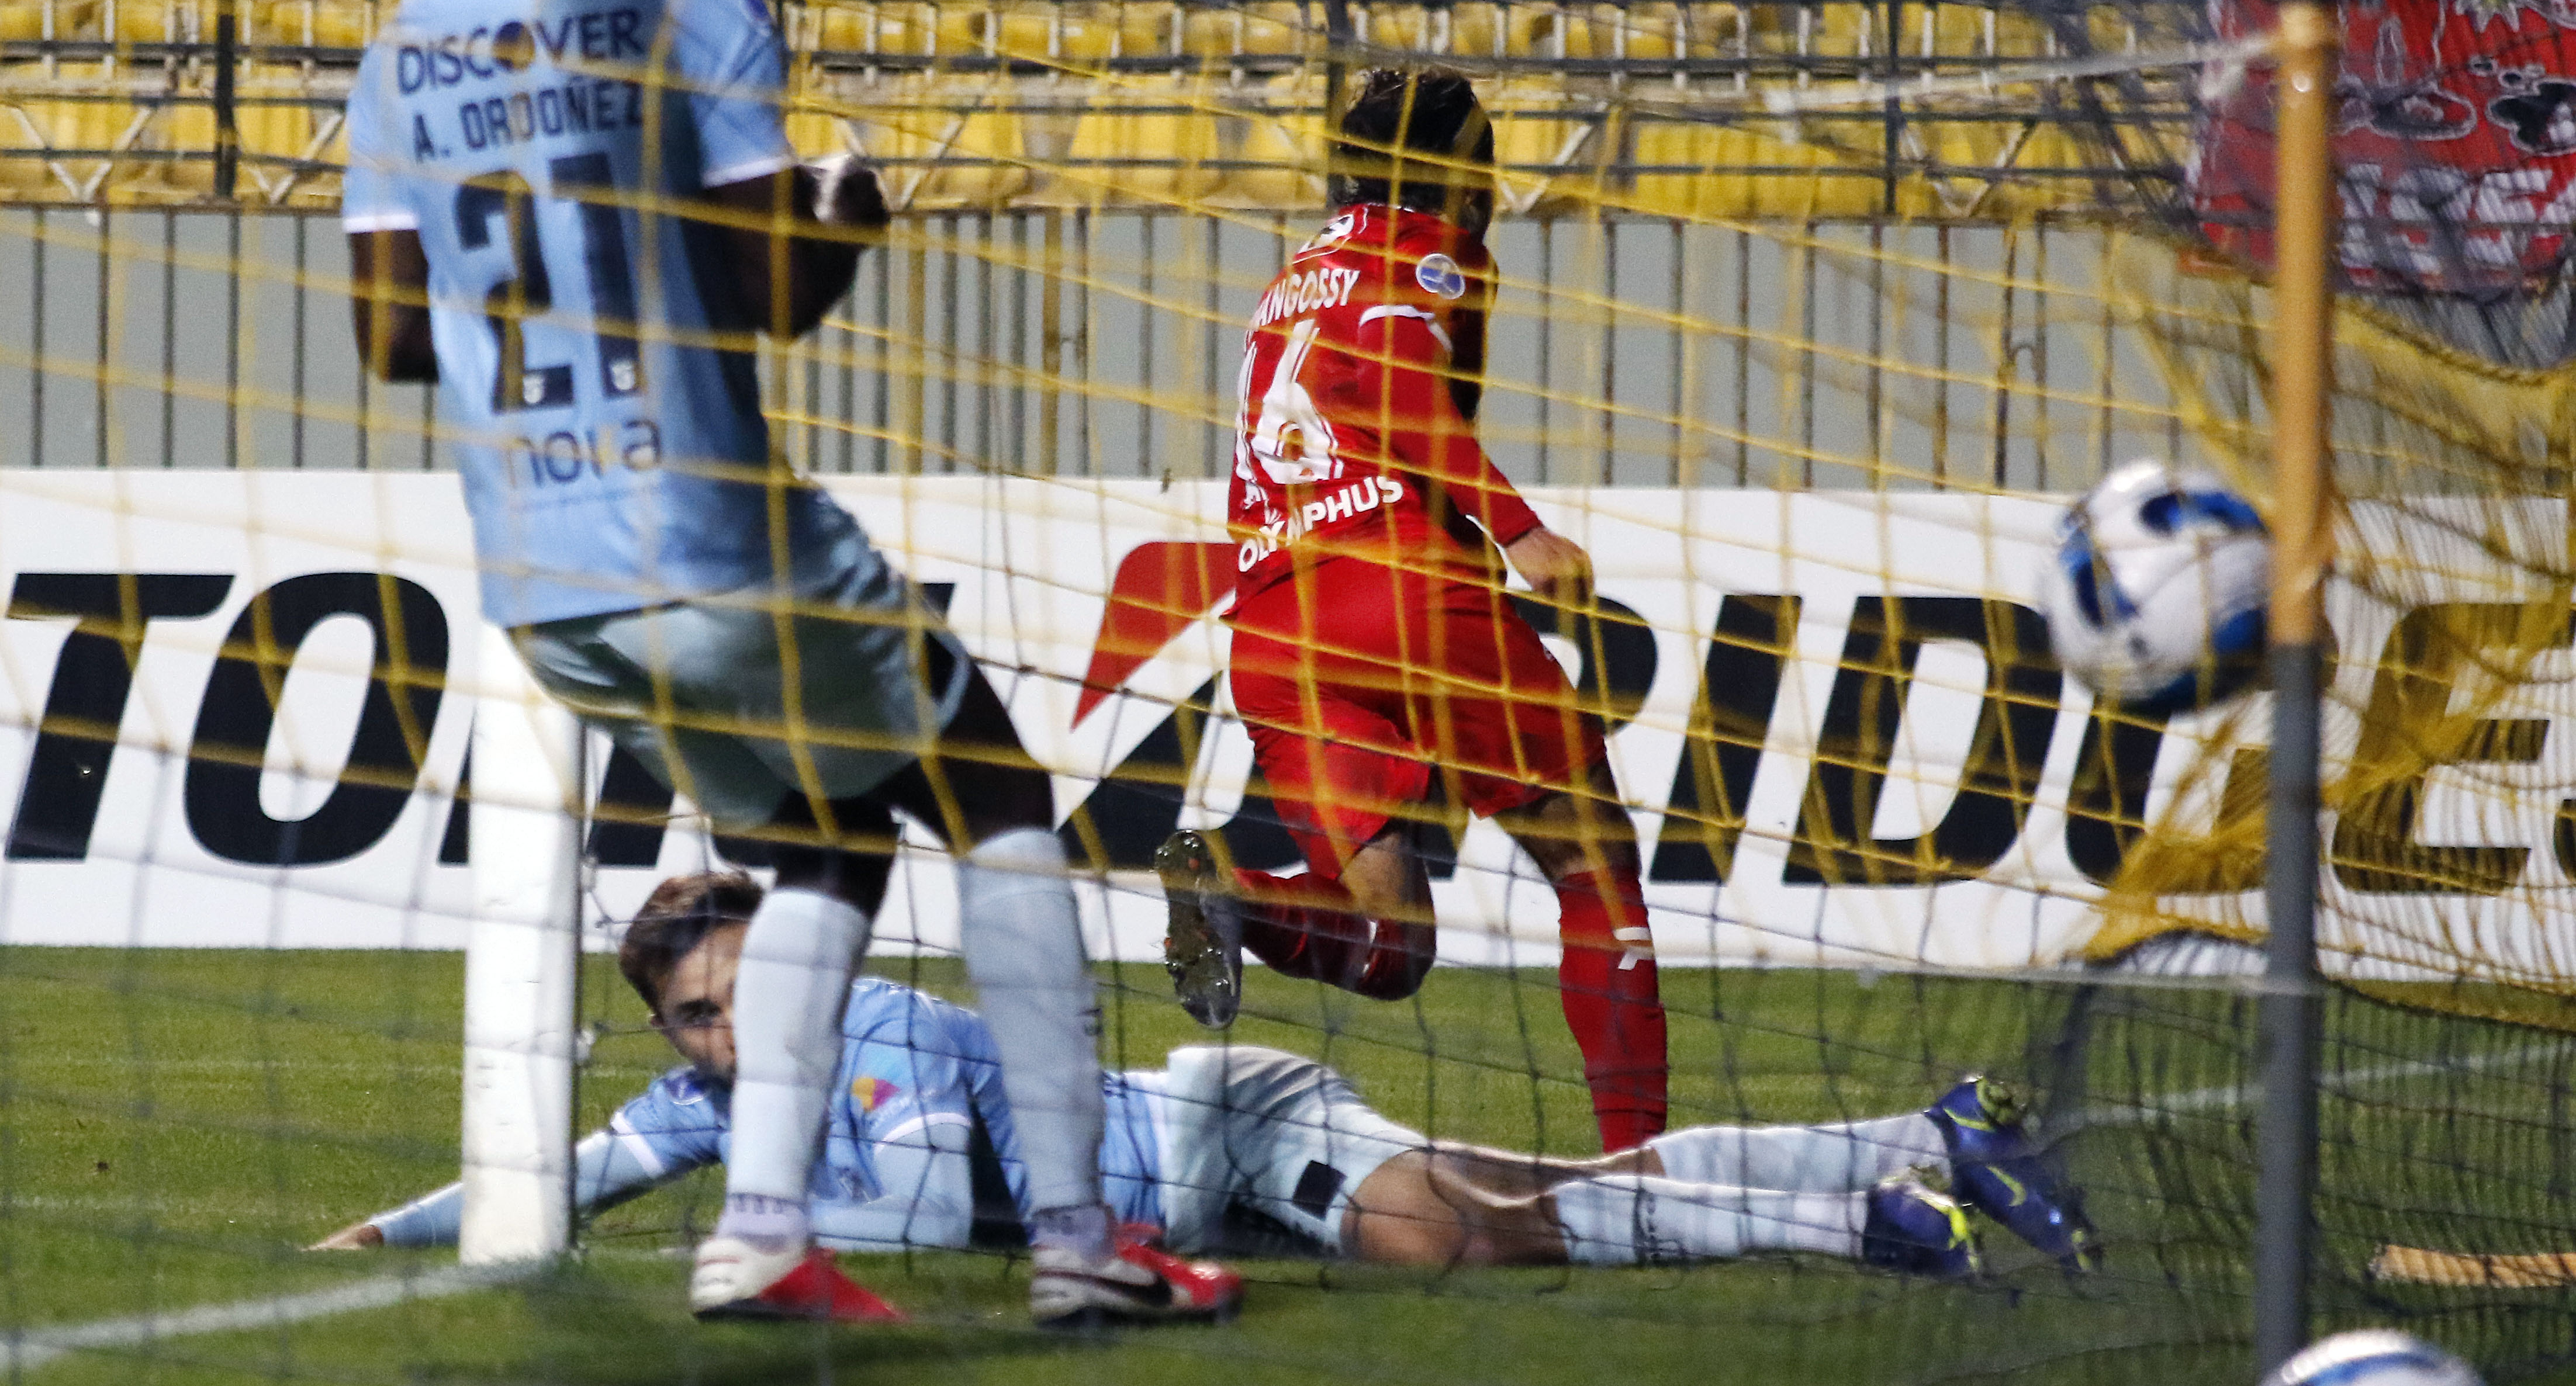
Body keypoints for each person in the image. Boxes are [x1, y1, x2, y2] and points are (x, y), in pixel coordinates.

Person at [340, 0, 1229, 1326]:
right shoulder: (689, 4)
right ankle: (1084, 1242)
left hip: (545, 583)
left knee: (827, 838)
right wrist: (842, 206)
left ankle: (763, 1228)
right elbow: (768, 298)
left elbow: (391, 332)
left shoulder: (408, 41)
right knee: (994, 790)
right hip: (713, 535)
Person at [318, 872, 2099, 1277]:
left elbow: (945, 1193)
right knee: (1561, 1191)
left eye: (737, 999)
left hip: (1229, 1131)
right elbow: (546, 1182)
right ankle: (1915, 1132)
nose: (723, 1039)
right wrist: (389, 1237)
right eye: (695, 1021)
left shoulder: (884, 1037)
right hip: (1215, 1152)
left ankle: (1862, 1223)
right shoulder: (711, 1104)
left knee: (1459, 1233)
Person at [1157, 67, 1669, 1153]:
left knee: (1393, 949)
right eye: (1482, 159)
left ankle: (1242, 900)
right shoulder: (1429, 251)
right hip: (1401, 595)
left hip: (1277, 629)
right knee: (1594, 860)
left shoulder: (1293, 276)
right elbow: (1394, 381)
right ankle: (1642, 1157)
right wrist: (1519, 530)